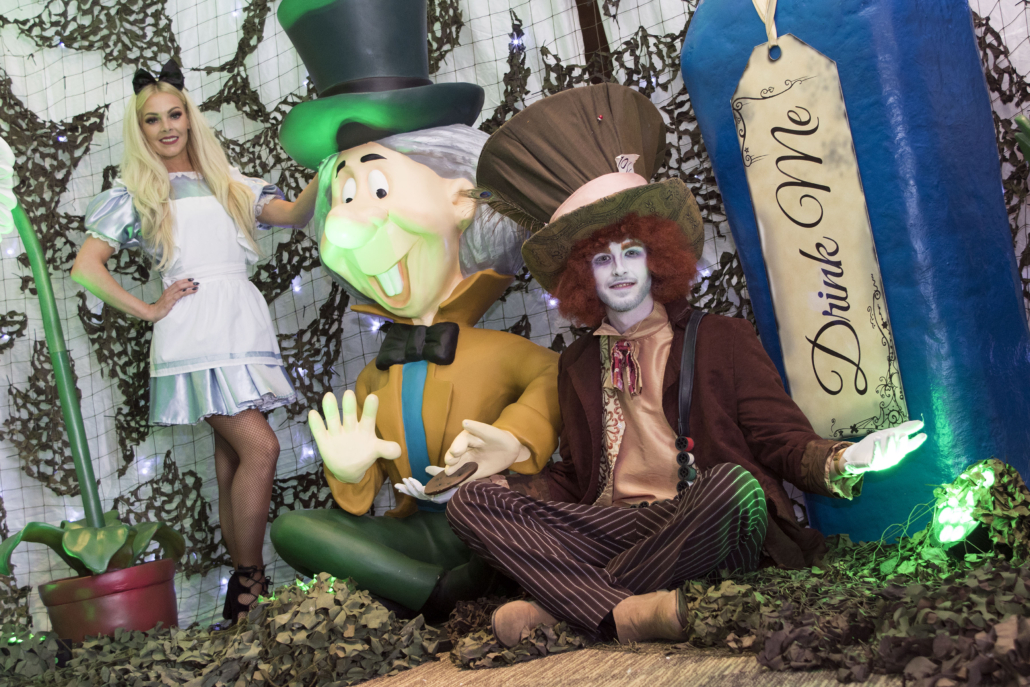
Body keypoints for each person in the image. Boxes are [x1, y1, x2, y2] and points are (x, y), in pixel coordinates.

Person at [439, 83, 927, 645]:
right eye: (601, 259)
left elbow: (780, 441)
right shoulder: (576, 363)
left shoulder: (722, 338)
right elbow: (578, 478)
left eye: (632, 252)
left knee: (736, 488)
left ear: (657, 257)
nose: (620, 270)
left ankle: (575, 608)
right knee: (473, 503)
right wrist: (508, 477)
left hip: (697, 515)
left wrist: (845, 459)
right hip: (614, 525)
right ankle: (624, 612)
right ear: (582, 277)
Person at [268, 0, 561, 621]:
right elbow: (361, 499)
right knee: (293, 530)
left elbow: (556, 378)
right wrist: (350, 472)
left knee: (513, 522)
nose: (345, 223)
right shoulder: (373, 377)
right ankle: (440, 593)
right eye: (343, 196)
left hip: (493, 518)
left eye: (377, 188)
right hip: (418, 531)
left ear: (460, 199)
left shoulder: (506, 355)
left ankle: (429, 589)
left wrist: (514, 438)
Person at [70, 59, 318, 621]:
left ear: (190, 117)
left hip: (242, 325)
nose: (166, 127)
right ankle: (250, 582)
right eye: (152, 119)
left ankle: (242, 597)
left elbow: (293, 215)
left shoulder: (229, 181)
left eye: (174, 114)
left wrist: (333, 167)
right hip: (194, 332)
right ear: (140, 129)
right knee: (262, 448)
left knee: (232, 455)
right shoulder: (137, 192)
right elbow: (86, 266)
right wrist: (150, 308)